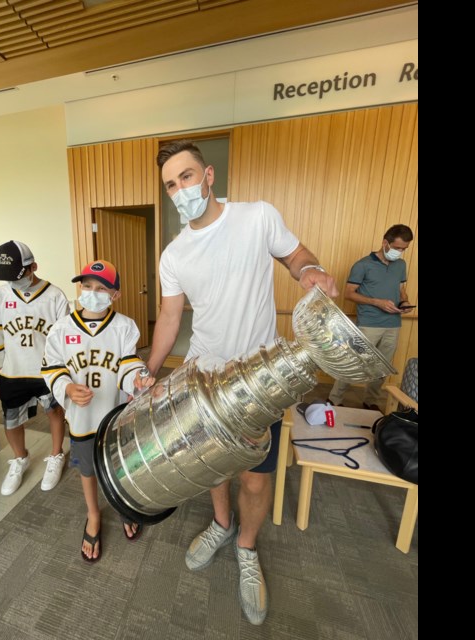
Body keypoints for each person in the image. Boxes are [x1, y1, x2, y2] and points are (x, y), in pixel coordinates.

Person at [146, 140, 338, 625]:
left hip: (261, 378)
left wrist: (311, 270)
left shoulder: (256, 217)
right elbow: (170, 317)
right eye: (171, 184)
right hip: (203, 377)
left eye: (186, 177)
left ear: (208, 175)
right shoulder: (174, 254)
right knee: (213, 467)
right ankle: (222, 525)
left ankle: (247, 549)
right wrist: (150, 371)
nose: (180, 189)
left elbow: (296, 256)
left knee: (255, 476)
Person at [41, 260, 154, 563]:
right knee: (88, 470)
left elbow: (128, 364)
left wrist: (138, 379)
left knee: (119, 466)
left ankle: (122, 506)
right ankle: (93, 514)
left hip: (114, 414)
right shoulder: (61, 328)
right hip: (81, 419)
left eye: (101, 288)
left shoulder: (124, 326)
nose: (92, 293)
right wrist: (65, 387)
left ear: (114, 295)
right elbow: (51, 367)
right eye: (87, 286)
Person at [0, 240, 70, 496]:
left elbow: (64, 338)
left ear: (33, 266)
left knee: (55, 413)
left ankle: (56, 455)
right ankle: (20, 458)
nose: (14, 281)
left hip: (46, 371)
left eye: (18, 275)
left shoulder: (55, 295)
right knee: (11, 419)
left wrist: (64, 373)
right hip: (13, 370)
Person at [328, 224, 414, 412]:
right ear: (385, 243)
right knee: (354, 362)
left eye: (404, 249)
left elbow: (401, 290)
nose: (400, 252)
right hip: (369, 324)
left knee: (382, 368)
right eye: (397, 248)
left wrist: (405, 302)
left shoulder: (401, 265)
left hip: (393, 325)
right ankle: (334, 399)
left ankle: (370, 401)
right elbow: (349, 294)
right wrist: (377, 302)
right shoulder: (362, 265)